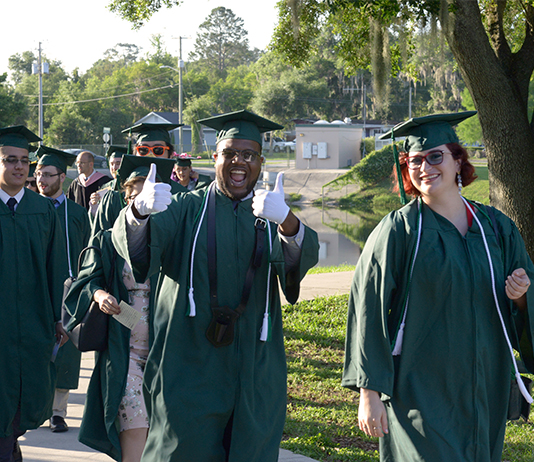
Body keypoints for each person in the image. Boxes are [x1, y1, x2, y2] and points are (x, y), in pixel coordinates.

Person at [111, 110, 319, 461]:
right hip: (189, 366)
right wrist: (138, 214)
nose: (240, 162)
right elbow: (138, 250)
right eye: (230, 153)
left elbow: (296, 267)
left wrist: (287, 221)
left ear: (261, 161)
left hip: (253, 370)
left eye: (249, 155)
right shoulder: (185, 208)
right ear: (215, 157)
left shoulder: (270, 213)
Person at [342, 111, 534, 462]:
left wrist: (521, 297)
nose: (424, 167)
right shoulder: (399, 231)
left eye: (435, 156)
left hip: (483, 385)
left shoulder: (496, 228)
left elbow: (526, 297)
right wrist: (369, 392)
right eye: (415, 160)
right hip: (420, 388)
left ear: (458, 160)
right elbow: (367, 309)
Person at [64, 155, 176, 462]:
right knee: (135, 425)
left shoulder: (174, 237)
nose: (138, 203)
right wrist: (99, 295)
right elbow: (86, 279)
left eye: (146, 196)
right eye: (131, 197)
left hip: (165, 352)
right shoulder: (111, 237)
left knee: (163, 434)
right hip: (122, 347)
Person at [0, 126, 68, 462]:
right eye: (10, 160)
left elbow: (56, 268)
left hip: (33, 322)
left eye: (25, 160)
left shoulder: (42, 210)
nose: (19, 167)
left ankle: (11, 442)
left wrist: (58, 317)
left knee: (27, 395)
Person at [35, 145, 91, 433]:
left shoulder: (78, 214)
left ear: (63, 176)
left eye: (48, 174)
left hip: (68, 291)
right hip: (36, 289)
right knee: (37, 349)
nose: (42, 180)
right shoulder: (29, 210)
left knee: (66, 352)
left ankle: (58, 412)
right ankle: (39, 407)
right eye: (39, 174)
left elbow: (87, 253)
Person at [90, 123, 185, 238]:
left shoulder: (182, 197)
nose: (150, 155)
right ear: (135, 153)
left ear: (170, 155)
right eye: (143, 150)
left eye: (158, 150)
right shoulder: (114, 197)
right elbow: (99, 244)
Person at [89, 145, 129, 219]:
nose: (114, 168)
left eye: (118, 163)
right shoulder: (105, 188)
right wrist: (94, 206)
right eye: (111, 164)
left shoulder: (133, 187)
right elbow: (98, 219)